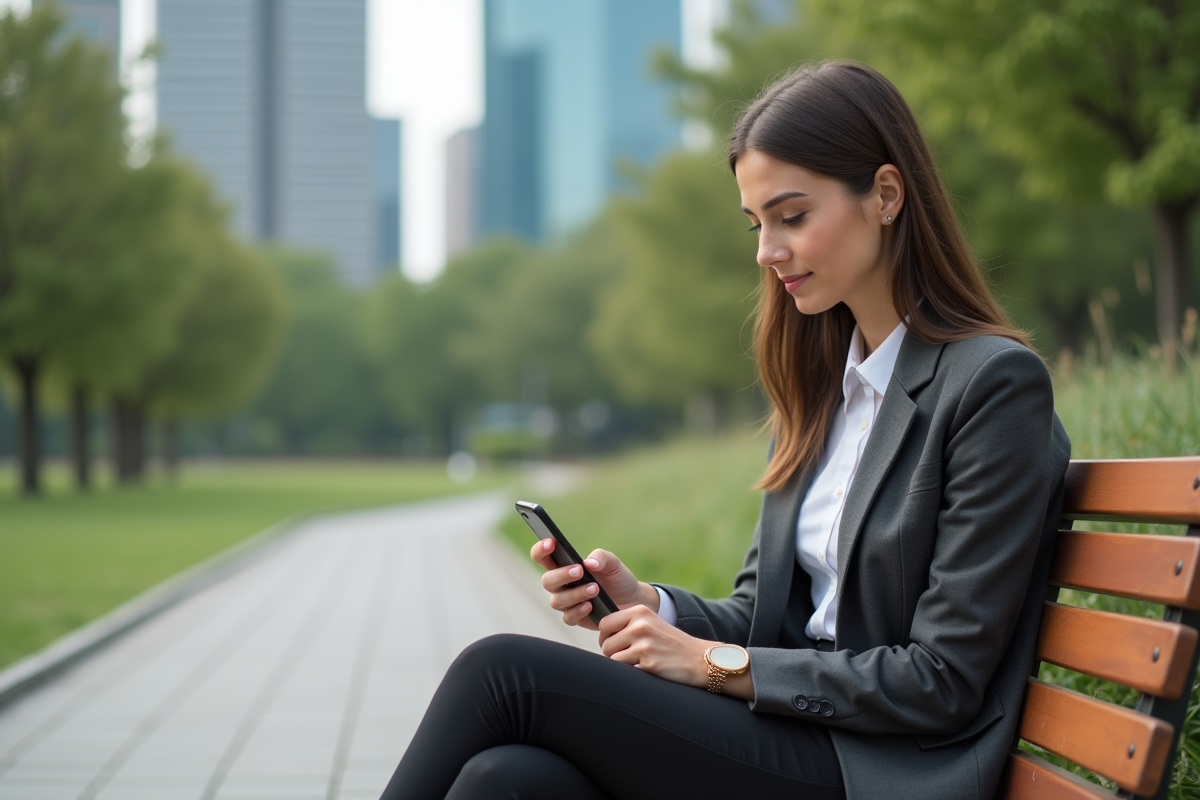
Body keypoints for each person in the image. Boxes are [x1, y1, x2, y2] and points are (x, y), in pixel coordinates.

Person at [379, 60, 1070, 800]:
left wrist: (710, 664)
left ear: (886, 196)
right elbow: (764, 616)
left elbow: (941, 680)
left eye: (792, 216)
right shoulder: (822, 395)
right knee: (506, 779)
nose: (766, 253)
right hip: (796, 734)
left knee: (501, 671)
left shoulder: (991, 386)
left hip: (884, 766)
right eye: (757, 223)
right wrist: (650, 606)